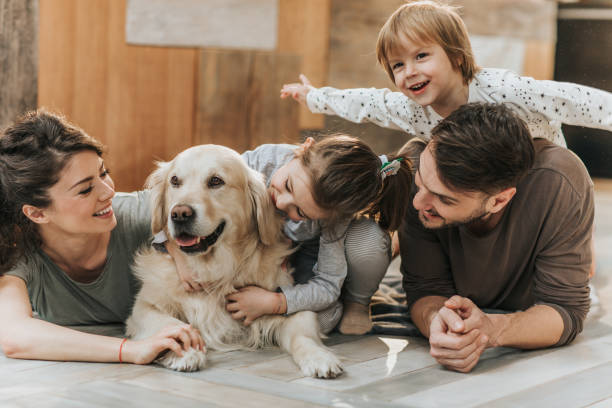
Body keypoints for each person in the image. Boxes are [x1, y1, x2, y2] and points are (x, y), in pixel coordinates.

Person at [400, 102, 593, 373]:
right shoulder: (419, 168)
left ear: (499, 200)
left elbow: (565, 310)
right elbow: (425, 288)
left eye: (444, 198)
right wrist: (437, 321)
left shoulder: (559, 181)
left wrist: (492, 329)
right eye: (421, 182)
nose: (419, 202)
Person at [0, 110, 204, 363]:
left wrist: (175, 242)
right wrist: (130, 350)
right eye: (85, 189)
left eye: (104, 172)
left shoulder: (143, 214)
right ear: (37, 213)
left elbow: (251, 164)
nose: (108, 191)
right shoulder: (19, 254)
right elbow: (15, 336)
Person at [168, 135, 413, 335]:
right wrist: (177, 254)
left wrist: (274, 302)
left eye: (301, 212)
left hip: (305, 252)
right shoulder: (253, 165)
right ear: (303, 148)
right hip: (262, 253)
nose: (281, 202)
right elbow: (167, 203)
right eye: (288, 185)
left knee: (323, 320)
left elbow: (327, 285)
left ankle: (357, 303)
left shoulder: (335, 220)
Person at [280, 0, 612, 147]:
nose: (409, 72)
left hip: (540, 166)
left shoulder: (503, 90)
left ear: (455, 57)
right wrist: (314, 97)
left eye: (421, 56)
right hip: (482, 183)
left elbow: (572, 100)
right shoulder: (414, 110)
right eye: (398, 65)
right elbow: (369, 103)